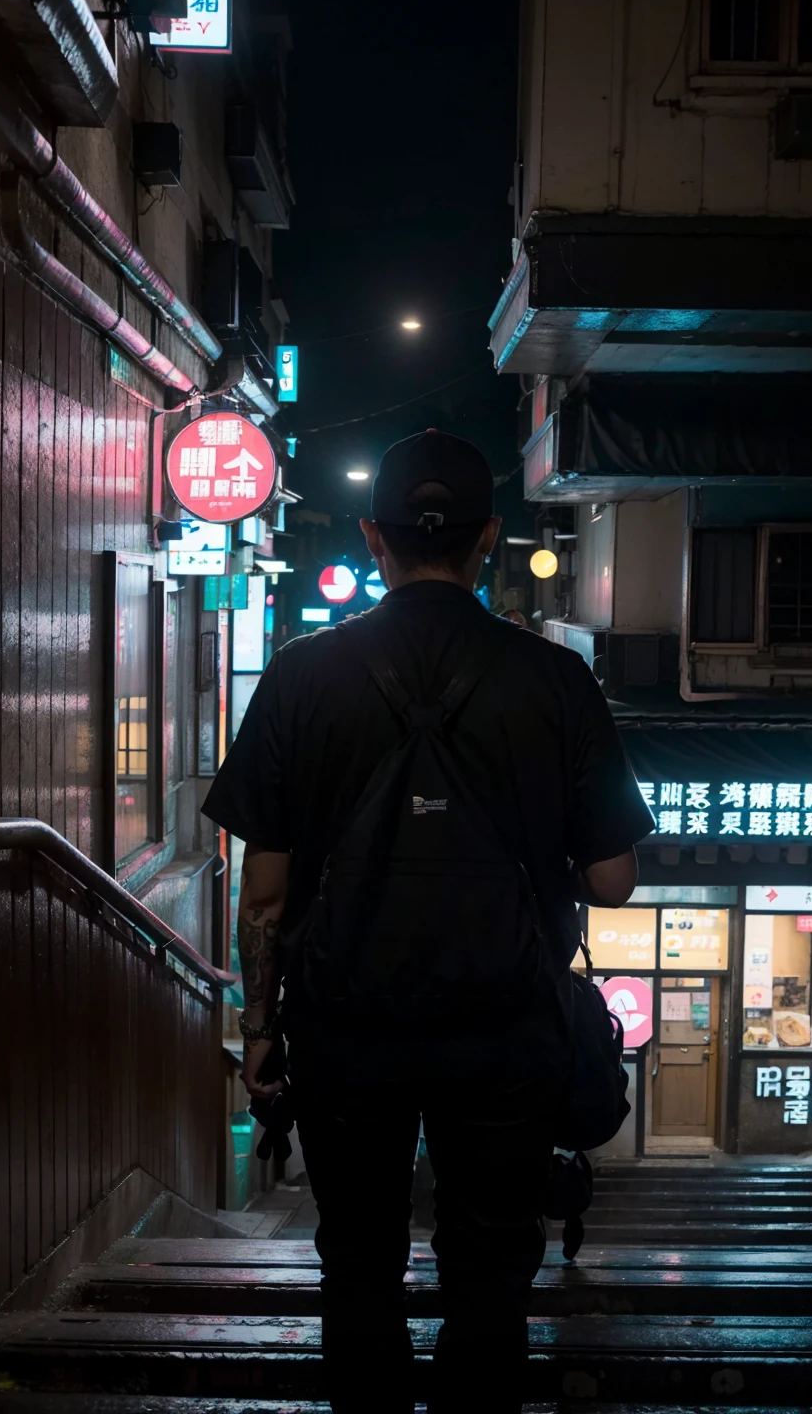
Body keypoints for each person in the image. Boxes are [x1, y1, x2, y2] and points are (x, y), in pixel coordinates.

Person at [202, 428, 654, 1414]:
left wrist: (262, 1033)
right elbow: (613, 880)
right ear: (490, 537)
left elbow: (267, 894)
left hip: (347, 1027)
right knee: (490, 1272)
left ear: (376, 537)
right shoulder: (555, 680)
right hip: (506, 1029)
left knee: (357, 1265)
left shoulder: (300, 677)